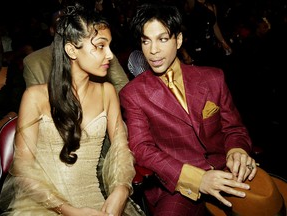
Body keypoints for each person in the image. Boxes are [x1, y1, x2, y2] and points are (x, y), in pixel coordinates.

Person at [119, 3, 285, 216]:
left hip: (227, 170)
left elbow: (234, 128)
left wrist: (238, 150)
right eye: (146, 41)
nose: (153, 50)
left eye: (162, 39)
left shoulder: (213, 78)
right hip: (177, 185)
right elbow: (143, 149)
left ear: (178, 40)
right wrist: (197, 179)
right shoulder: (133, 94)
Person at [0, 2, 144, 215]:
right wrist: (67, 210)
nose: (110, 55)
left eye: (110, 46)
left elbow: (121, 150)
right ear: (71, 50)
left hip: (96, 202)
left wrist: (121, 190)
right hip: (45, 204)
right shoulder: (36, 97)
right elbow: (22, 169)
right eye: (101, 46)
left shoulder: (107, 92)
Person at [23, 9, 129, 93]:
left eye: (72, 22)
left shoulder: (101, 52)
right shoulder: (35, 62)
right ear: (52, 30)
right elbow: (39, 108)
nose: (67, 26)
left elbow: (122, 86)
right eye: (61, 22)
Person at [181, 0, 232, 67]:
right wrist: (183, 51)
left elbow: (215, 26)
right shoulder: (192, 3)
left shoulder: (212, 6)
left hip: (209, 46)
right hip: (195, 47)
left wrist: (223, 42)